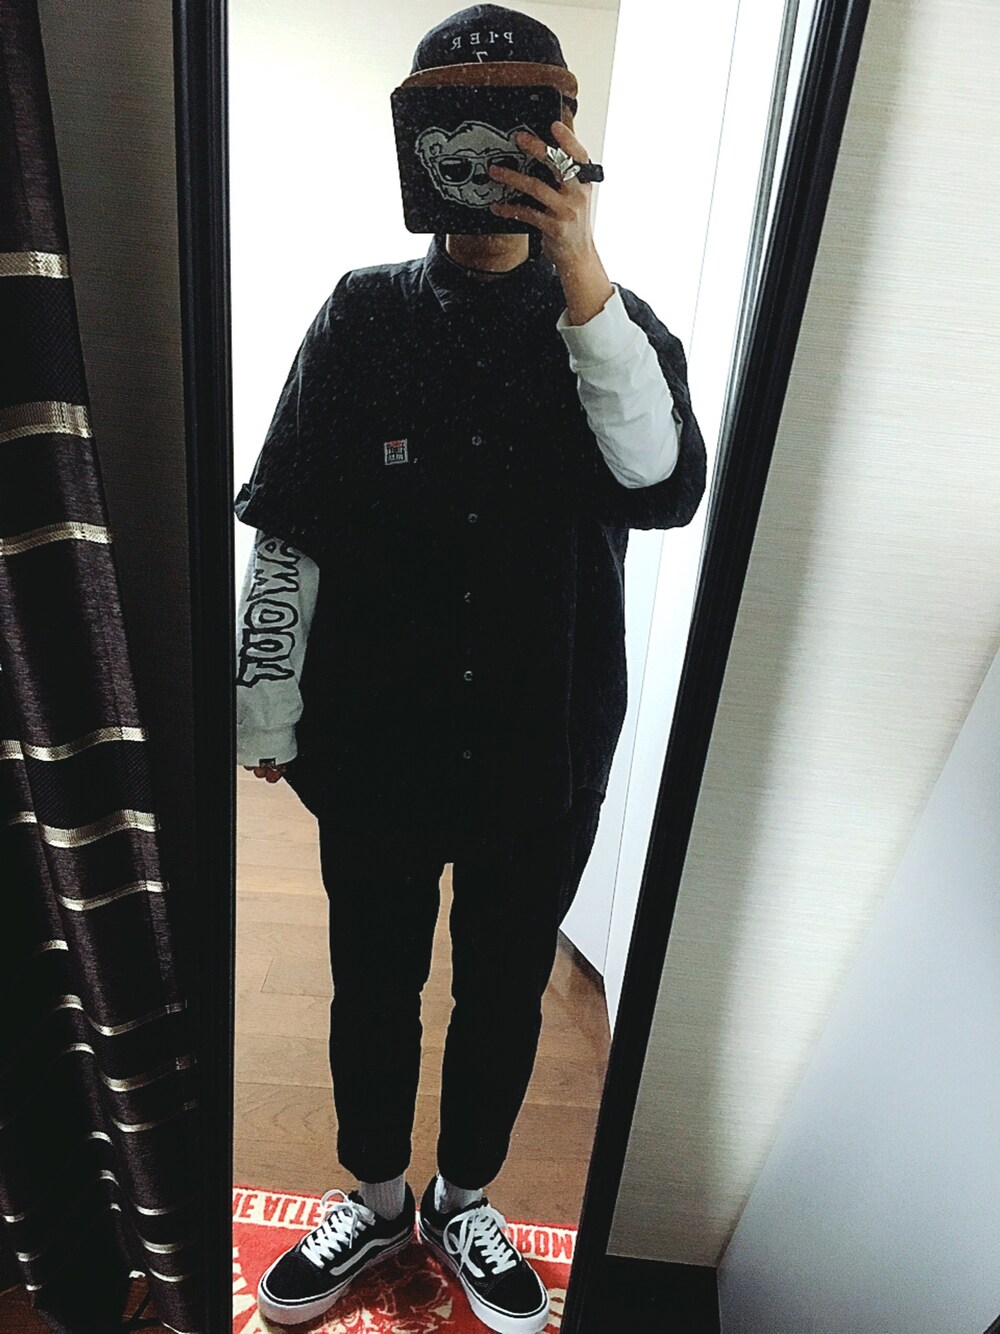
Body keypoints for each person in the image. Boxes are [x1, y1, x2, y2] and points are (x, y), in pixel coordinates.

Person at [233, 6, 706, 1330]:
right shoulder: (361, 314)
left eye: (523, 130)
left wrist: (582, 266)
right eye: (461, 128)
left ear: (566, 143)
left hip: (542, 743)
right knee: (373, 981)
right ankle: (379, 1198)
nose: (491, 164)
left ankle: (466, 1197)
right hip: (376, 736)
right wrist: (266, 699)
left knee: (504, 987)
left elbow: (662, 483)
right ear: (415, 142)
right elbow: (290, 515)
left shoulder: (610, 329)